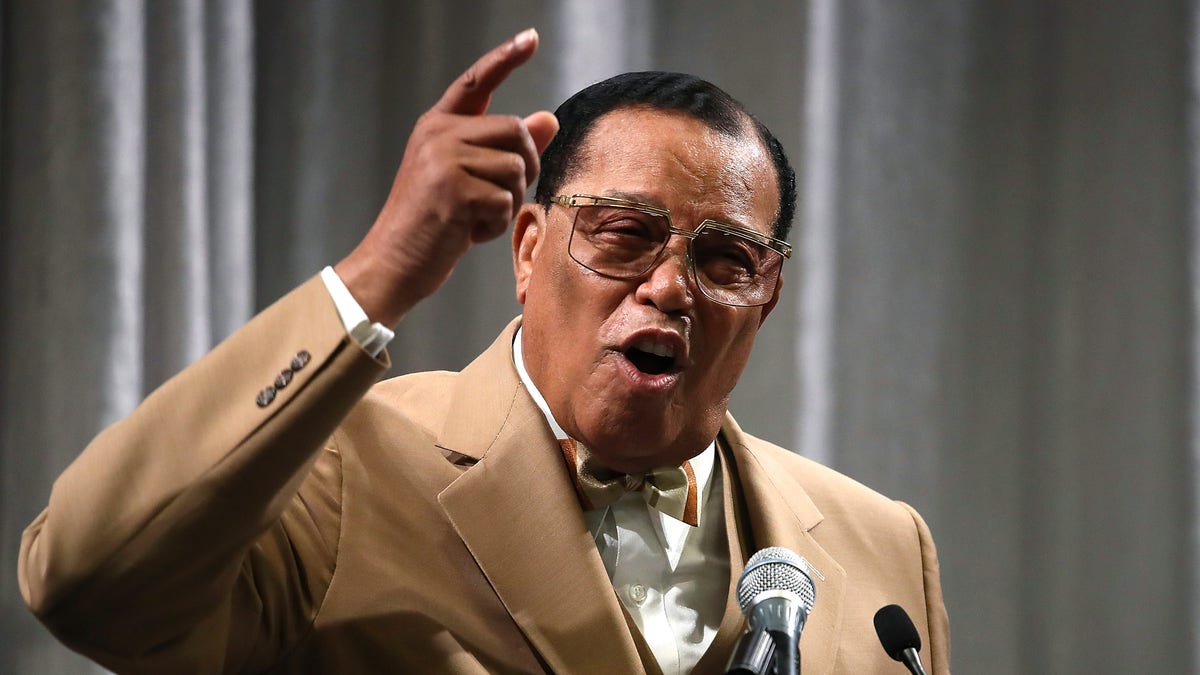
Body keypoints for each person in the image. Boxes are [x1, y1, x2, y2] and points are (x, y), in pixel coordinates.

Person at [18, 28, 950, 674]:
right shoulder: (344, 468)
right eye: (624, 234)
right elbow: (88, 582)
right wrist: (380, 271)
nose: (671, 286)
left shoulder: (882, 548)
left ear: (768, 293)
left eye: (725, 259)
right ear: (531, 247)